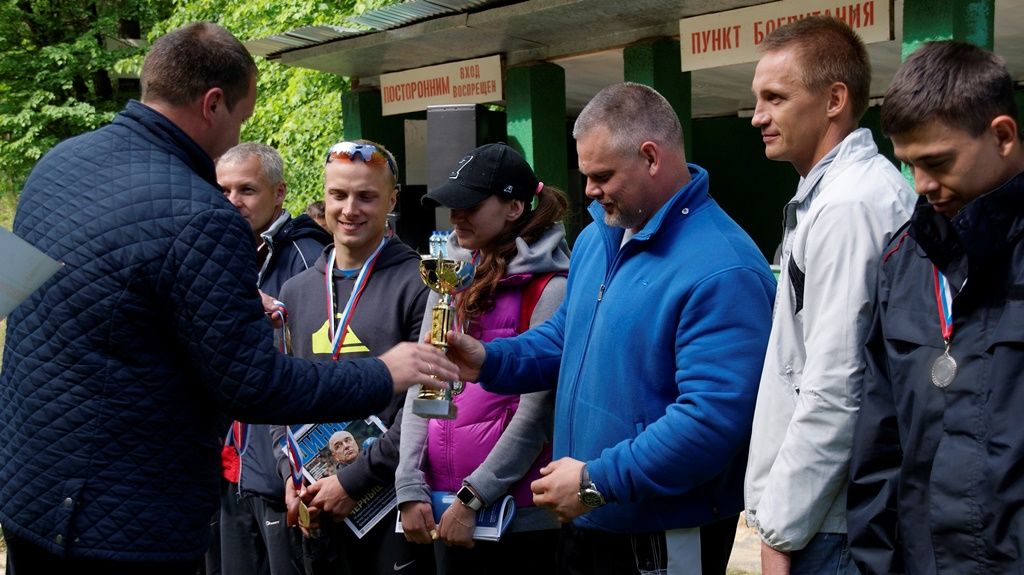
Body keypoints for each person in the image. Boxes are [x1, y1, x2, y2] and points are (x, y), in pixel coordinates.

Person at [0, 22, 454, 575]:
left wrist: (190, 308)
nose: (237, 135)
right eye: (241, 118)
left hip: (29, 493)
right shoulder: (202, 216)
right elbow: (254, 387)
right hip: (122, 520)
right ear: (213, 103)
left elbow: (41, 304)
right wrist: (384, 373)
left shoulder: (55, 165)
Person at [444, 83, 776, 575]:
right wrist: (492, 360)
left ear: (651, 157)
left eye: (602, 176)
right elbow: (566, 336)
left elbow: (711, 421)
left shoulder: (723, 268)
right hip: (588, 518)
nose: (588, 192)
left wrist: (596, 481)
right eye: (586, 175)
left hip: (659, 533)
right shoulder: (600, 236)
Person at [742, 16, 915, 575]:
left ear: (834, 100)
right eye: (757, 99)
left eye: (775, 97)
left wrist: (781, 530)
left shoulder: (849, 206)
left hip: (830, 523)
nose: (757, 116)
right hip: (823, 516)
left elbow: (837, 384)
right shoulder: (834, 196)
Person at [847, 40, 1024, 574]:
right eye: (909, 165)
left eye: (937, 162)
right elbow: (879, 448)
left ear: (1002, 136)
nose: (922, 186)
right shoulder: (903, 260)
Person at [395, 142, 570, 574]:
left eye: (470, 206)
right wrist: (409, 484)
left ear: (514, 207)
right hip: (441, 509)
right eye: (452, 205)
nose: (456, 216)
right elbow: (423, 384)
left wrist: (474, 497)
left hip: (518, 518)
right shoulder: (448, 280)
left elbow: (536, 414)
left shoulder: (551, 288)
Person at [275, 139, 432, 575]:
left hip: (391, 505)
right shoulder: (296, 290)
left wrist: (353, 480)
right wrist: (289, 473)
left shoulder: (420, 284)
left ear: (392, 201)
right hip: (314, 501)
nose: (349, 209)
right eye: (338, 195)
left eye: (366, 196)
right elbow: (277, 390)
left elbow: (427, 404)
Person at [215, 142, 330, 575]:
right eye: (223, 190)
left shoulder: (306, 258)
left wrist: (296, 469)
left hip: (279, 474)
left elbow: (312, 367)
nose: (233, 201)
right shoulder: (221, 251)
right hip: (231, 467)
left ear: (279, 193)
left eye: (246, 190)